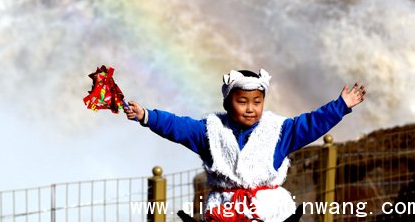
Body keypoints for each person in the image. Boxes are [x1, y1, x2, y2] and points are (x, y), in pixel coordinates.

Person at [125, 69, 367, 222]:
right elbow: (177, 126)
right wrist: (146, 115)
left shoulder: (279, 131)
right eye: (242, 101)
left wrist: (341, 105)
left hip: (268, 213)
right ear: (228, 103)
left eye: (257, 102)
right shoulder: (210, 131)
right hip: (224, 212)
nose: (251, 108)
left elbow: (312, 123)